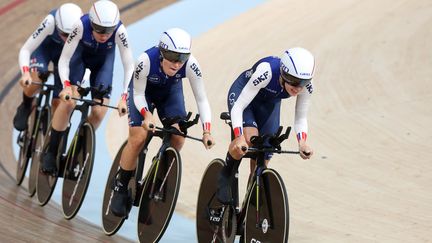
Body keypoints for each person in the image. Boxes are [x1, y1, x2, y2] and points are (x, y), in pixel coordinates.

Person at [109, 27, 215, 217]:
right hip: (144, 94)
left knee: (178, 138)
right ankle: (121, 186)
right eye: (173, 57)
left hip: (170, 95)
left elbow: (202, 99)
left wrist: (207, 130)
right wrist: (147, 115)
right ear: (162, 52)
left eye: (182, 58)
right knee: (139, 137)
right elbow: (139, 93)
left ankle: (156, 182)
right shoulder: (146, 60)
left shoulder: (190, 65)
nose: (177, 64)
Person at [41, 0, 134, 175]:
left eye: (108, 30)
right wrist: (67, 85)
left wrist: (124, 97)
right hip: (80, 58)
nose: (104, 34)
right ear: (91, 22)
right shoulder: (80, 25)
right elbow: (65, 59)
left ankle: (77, 151)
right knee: (69, 102)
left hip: (103, 63)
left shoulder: (120, 31)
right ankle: (51, 151)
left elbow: (129, 65)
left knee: (99, 112)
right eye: (99, 29)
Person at [216, 47, 315, 204]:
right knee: (249, 139)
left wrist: (302, 143)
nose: (298, 88)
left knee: (266, 150)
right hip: (244, 97)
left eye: (303, 82)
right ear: (283, 73)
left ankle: (249, 204)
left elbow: (301, 117)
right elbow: (239, 106)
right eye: (294, 82)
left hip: (269, 103)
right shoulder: (266, 71)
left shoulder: (306, 87)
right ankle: (225, 175)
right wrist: (239, 136)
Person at [13, 3, 83, 131]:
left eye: (71, 35)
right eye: (64, 34)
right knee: (35, 83)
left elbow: (85, 61)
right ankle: (26, 105)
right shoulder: (50, 21)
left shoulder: (85, 27)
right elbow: (26, 50)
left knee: (59, 104)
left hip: (66, 58)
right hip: (45, 49)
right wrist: (26, 72)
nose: (68, 39)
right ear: (57, 25)